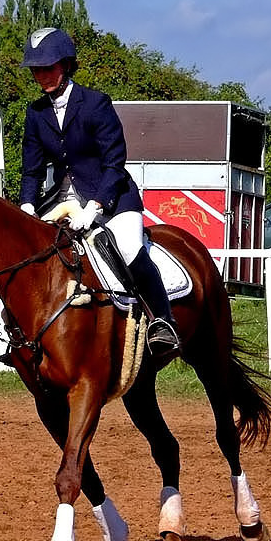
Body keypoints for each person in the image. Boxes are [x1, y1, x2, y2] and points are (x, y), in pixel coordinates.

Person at [18, 27, 180, 357]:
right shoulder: (36, 114)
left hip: (112, 196)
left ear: (65, 65)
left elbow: (114, 161)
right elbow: (32, 170)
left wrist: (95, 206)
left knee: (130, 248)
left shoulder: (95, 103)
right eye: (36, 70)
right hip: (63, 199)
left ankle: (162, 321)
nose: (42, 76)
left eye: (47, 68)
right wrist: (27, 207)